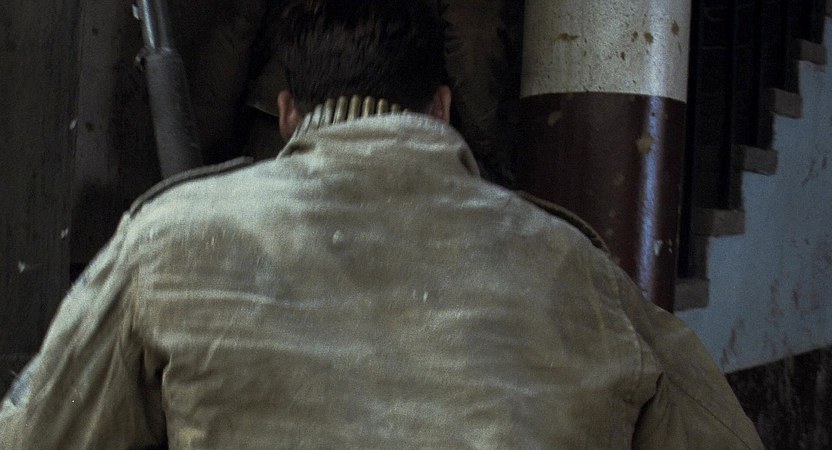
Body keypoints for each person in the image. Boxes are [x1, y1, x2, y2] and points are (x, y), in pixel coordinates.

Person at [1, 0, 763, 448]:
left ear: (288, 112)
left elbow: (35, 434)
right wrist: (496, 182)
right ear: (440, 107)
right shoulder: (581, 272)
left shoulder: (167, 239)